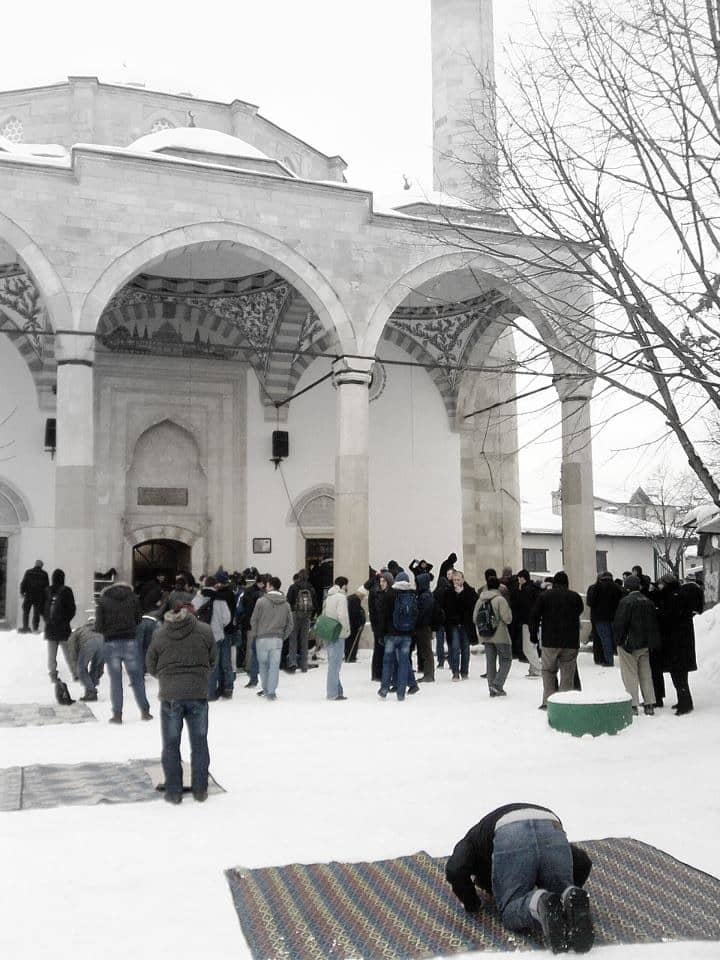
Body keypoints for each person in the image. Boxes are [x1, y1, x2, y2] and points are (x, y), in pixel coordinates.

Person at [445, 803, 593, 954]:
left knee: (511, 909)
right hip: (550, 824)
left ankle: (539, 901)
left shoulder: (472, 841)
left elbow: (454, 870)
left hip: (510, 832)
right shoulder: (481, 834)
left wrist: (472, 904)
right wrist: (573, 884)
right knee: (560, 896)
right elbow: (583, 862)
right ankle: (570, 895)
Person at [146, 603, 218, 804]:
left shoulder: (160, 634)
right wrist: (201, 676)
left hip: (170, 696)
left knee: (170, 744)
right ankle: (200, 790)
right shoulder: (204, 631)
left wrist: (166, 678)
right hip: (198, 693)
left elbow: (151, 664)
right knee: (199, 743)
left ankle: (174, 792)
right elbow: (213, 659)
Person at [95, 580, 151, 724]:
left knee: (115, 680)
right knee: (137, 679)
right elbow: (139, 619)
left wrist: (109, 630)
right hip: (130, 641)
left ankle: (117, 715)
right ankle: (145, 711)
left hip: (111, 642)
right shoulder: (133, 599)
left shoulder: (103, 601)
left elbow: (99, 626)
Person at [530, 571, 584, 709]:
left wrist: (533, 635)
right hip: (570, 641)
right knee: (567, 673)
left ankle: (547, 701)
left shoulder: (544, 596)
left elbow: (534, 615)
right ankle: (564, 702)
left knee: (548, 671)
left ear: (554, 583)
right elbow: (579, 611)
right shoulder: (575, 597)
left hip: (550, 640)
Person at [654, 573, 703, 715]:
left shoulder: (675, 597)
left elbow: (671, 617)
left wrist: (659, 614)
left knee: (679, 675)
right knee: (679, 675)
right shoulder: (676, 595)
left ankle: (685, 704)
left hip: (677, 643)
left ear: (667, 584)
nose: (659, 586)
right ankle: (683, 701)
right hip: (680, 642)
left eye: (661, 584)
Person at [612, 575, 660, 716]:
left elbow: (620, 624)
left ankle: (633, 704)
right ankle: (649, 703)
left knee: (630, 674)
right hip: (645, 644)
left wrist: (619, 641)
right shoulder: (648, 601)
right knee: (646, 673)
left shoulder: (625, 602)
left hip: (629, 644)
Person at [249, 576, 293, 700]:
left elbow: (254, 619)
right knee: (274, 666)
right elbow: (290, 624)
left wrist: (256, 633)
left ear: (271, 586)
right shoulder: (286, 603)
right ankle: (272, 691)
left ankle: (266, 688)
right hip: (277, 639)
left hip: (262, 638)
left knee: (263, 665)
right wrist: (283, 636)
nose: (265, 587)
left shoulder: (261, 601)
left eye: (267, 585)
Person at [378, 571, 419, 701]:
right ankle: (401, 693)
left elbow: (383, 616)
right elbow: (415, 615)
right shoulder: (412, 594)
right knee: (403, 663)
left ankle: (384, 689)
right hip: (406, 635)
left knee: (387, 662)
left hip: (391, 634)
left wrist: (381, 633)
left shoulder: (389, 594)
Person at [192, 575, 232, 700]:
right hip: (217, 635)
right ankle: (216, 690)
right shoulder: (220, 599)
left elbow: (190, 615)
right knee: (216, 664)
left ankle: (205, 691)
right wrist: (219, 625)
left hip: (200, 635)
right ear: (215, 585)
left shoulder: (198, 599)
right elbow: (227, 618)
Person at [475, 574, 513, 697]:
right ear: (498, 586)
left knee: (490, 662)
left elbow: (475, 618)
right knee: (506, 659)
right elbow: (507, 619)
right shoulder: (500, 599)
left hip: (485, 635)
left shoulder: (480, 599)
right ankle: (497, 685)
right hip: (500, 635)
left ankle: (492, 689)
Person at [443, 570, 478, 681]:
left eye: (458, 580)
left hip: (466, 624)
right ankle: (455, 672)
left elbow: (471, 606)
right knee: (455, 648)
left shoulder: (470, 591)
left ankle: (464, 671)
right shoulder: (449, 592)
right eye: (454, 580)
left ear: (463, 580)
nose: (456, 582)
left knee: (465, 649)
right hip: (453, 624)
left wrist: (462, 594)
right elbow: (447, 607)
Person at [44, 568, 76, 682]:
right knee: (69, 652)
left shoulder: (47, 590)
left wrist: (47, 620)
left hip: (50, 628)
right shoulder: (67, 591)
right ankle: (75, 673)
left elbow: (43, 608)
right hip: (63, 628)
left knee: (51, 655)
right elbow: (72, 609)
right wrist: (66, 620)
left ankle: (53, 674)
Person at [586, 571, 623, 667]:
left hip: (599, 618)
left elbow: (590, 602)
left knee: (604, 639)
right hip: (614, 617)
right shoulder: (617, 588)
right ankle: (621, 658)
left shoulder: (595, 588)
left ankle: (608, 660)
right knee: (615, 639)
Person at [323, 576, 351, 700]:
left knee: (332, 663)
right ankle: (333, 693)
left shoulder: (328, 597)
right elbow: (342, 616)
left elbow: (324, 614)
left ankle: (338, 691)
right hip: (338, 633)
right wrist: (346, 630)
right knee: (335, 665)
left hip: (328, 632)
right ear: (343, 585)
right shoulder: (341, 598)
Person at [286, 569, 318, 672]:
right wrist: (312, 616)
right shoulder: (311, 588)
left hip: (294, 615)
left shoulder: (293, 587)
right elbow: (315, 604)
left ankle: (293, 662)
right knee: (304, 641)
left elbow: (288, 601)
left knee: (293, 639)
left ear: (298, 576)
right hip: (306, 616)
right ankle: (304, 665)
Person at [68, 617, 104, 701]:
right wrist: (100, 670)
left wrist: (75, 661)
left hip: (88, 644)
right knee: (95, 668)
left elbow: (71, 645)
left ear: (87, 622)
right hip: (103, 643)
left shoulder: (80, 629)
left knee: (81, 669)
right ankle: (90, 693)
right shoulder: (101, 630)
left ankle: (92, 692)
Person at [516, 570, 542, 678]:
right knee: (533, 646)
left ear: (522, 578)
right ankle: (533, 668)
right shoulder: (536, 589)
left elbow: (523, 607)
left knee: (527, 648)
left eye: (519, 578)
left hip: (528, 622)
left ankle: (537, 669)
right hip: (536, 622)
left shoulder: (525, 590)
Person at [415, 572, 436, 682]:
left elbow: (422, 612)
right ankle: (428, 674)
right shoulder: (425, 595)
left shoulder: (425, 596)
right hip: (424, 626)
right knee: (425, 650)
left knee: (426, 650)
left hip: (423, 626)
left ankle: (429, 675)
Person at [20, 559, 49, 633]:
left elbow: (23, 583)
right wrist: (46, 598)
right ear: (41, 566)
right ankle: (35, 628)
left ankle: (25, 627)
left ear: (35, 564)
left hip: (28, 595)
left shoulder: (28, 572)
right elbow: (47, 587)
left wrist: (22, 592)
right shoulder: (44, 574)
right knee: (36, 613)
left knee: (26, 611)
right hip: (39, 597)